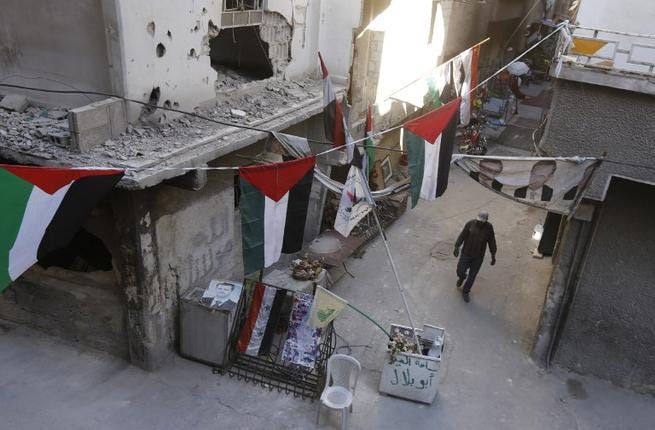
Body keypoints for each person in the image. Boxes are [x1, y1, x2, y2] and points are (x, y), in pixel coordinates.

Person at [453, 212, 497, 303]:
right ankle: (462, 277)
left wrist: (493, 255)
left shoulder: (489, 228)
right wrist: (457, 246)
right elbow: (462, 235)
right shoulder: (470, 224)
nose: (479, 222)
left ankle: (465, 291)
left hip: (478, 257)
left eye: (482, 221)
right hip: (466, 253)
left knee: (472, 276)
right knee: (460, 270)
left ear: (486, 221)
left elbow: (492, 242)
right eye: (478, 220)